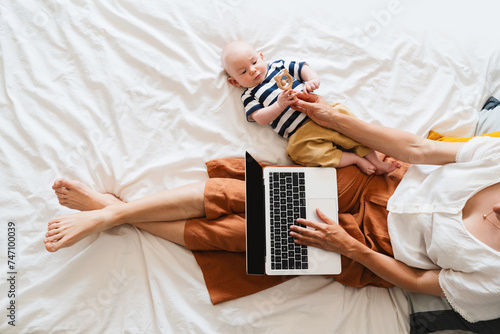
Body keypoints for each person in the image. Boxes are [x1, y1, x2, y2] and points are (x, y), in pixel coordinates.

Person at [45, 92, 500, 323]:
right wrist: (338, 120)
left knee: (239, 236)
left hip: (373, 249)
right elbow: (417, 148)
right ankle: (111, 215)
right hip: (374, 186)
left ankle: (109, 208)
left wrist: (350, 247)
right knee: (244, 197)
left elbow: (420, 281)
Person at [221, 41, 399, 175]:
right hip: (299, 132)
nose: (252, 70)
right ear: (234, 81)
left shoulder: (278, 66)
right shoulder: (249, 95)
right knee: (297, 152)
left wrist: (312, 80)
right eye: (243, 72)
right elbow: (260, 117)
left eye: (253, 62)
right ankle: (353, 159)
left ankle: (377, 162)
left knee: (351, 127)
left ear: (261, 57)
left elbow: (302, 68)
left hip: (320, 110)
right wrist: (279, 105)